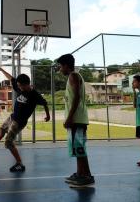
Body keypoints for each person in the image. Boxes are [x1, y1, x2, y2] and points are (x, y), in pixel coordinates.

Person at [0, 65, 50, 172]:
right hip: (13, 116)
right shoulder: (20, 87)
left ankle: (20, 164)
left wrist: (48, 115)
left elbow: (45, 103)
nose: (18, 88)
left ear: (26, 84)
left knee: (9, 142)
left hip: (19, 121)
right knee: (2, 129)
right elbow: (11, 78)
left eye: (20, 86)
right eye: (18, 85)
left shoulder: (34, 94)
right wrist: (1, 69)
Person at [57, 54, 94, 188]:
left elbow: (77, 96)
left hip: (77, 119)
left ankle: (85, 175)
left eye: (61, 66)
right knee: (79, 148)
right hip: (78, 118)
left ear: (66, 65)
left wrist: (70, 117)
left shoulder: (73, 76)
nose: (60, 69)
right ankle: (82, 173)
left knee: (79, 149)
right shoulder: (75, 76)